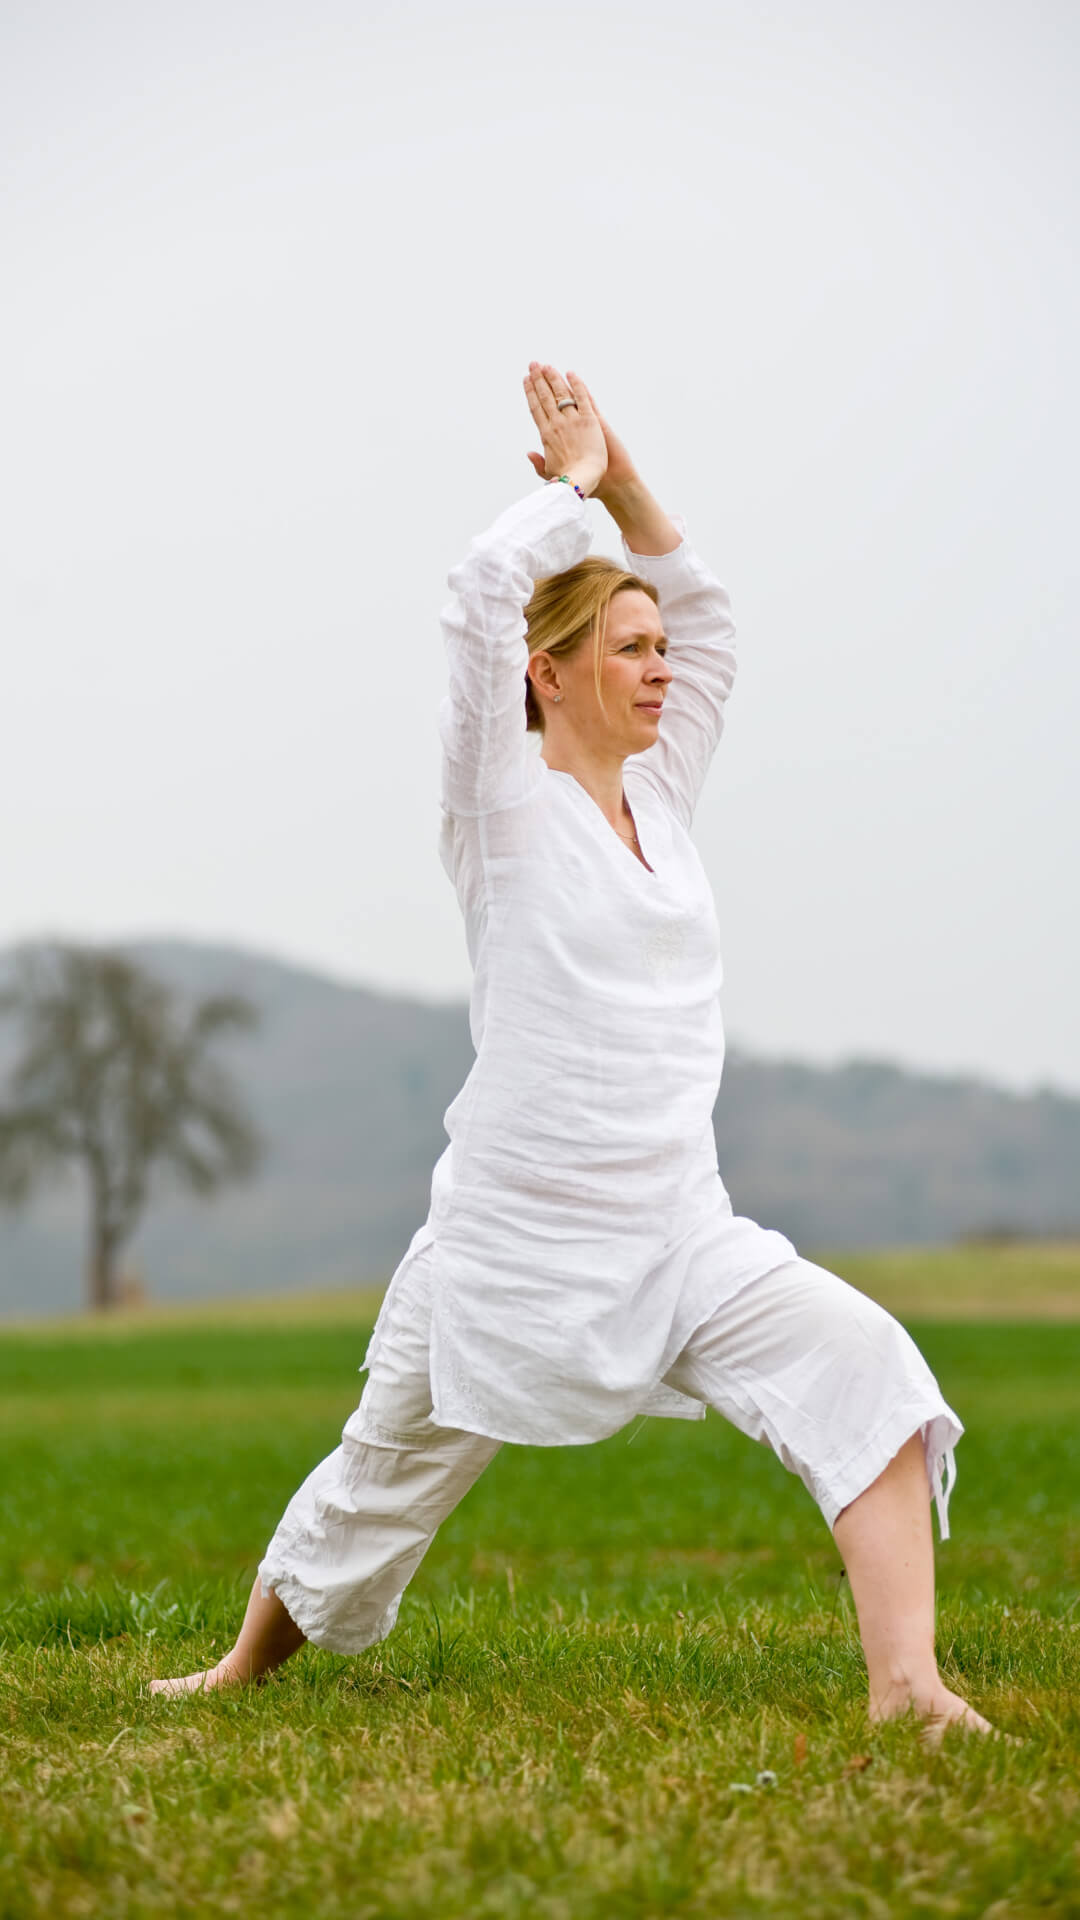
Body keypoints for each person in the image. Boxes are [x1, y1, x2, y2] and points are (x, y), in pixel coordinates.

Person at [152, 363, 992, 1737]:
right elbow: (472, 603)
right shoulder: (499, 810)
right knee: (382, 1473)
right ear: (549, 677)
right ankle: (244, 1666)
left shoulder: (663, 793)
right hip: (511, 1246)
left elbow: (711, 619)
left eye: (660, 650)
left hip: (677, 1234)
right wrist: (569, 495)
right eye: (628, 649)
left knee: (869, 1369)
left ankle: (908, 1688)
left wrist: (629, 481)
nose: (661, 667)